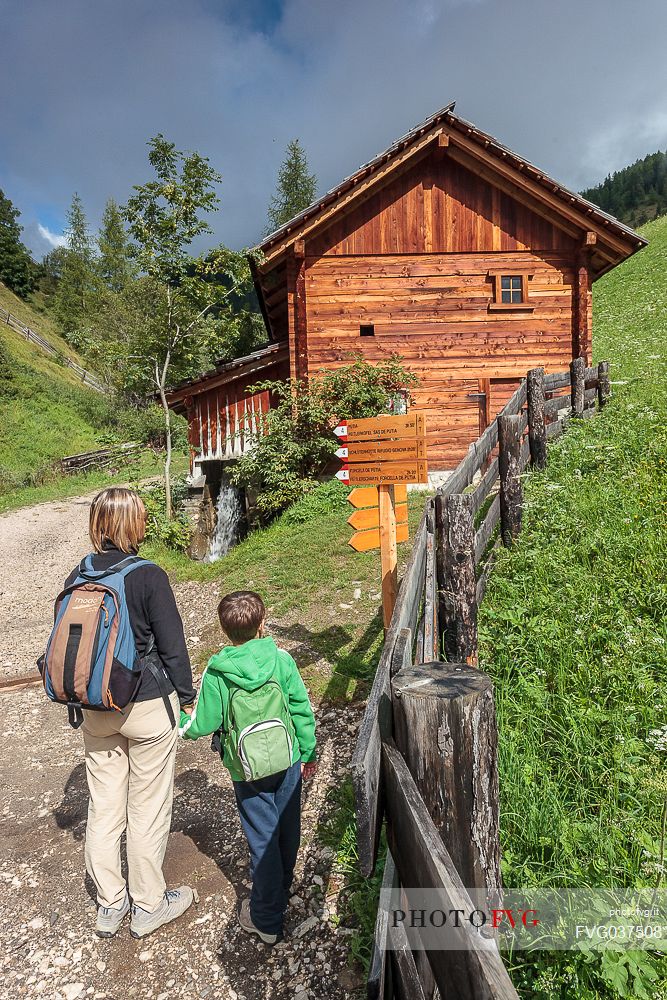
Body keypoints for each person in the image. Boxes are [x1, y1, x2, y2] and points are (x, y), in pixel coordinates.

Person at [64, 487, 197, 939]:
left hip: (95, 708)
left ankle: (110, 902)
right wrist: (186, 695)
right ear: (133, 523)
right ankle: (148, 904)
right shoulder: (148, 575)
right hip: (145, 706)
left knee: (103, 809)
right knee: (148, 807)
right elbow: (172, 643)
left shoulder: (77, 575)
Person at [180, 590, 317, 944]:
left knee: (262, 838)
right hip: (287, 759)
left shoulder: (218, 672)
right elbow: (300, 707)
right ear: (263, 621)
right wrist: (308, 751)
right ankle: (282, 886)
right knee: (287, 828)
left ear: (224, 630)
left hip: (247, 769)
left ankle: (267, 919)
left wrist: (185, 725)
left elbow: (206, 721)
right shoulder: (281, 659)